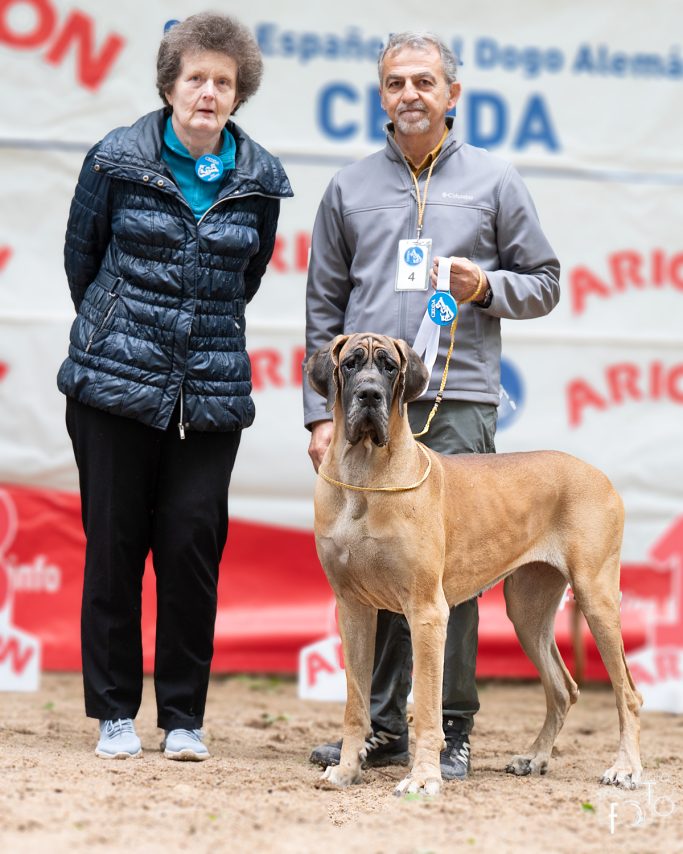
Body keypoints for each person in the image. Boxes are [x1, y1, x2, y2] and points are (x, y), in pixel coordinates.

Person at [304, 31, 559, 780]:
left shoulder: (495, 179)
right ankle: (382, 729)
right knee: (365, 568)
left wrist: (488, 287)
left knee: (454, 574)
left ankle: (448, 728)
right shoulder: (348, 187)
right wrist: (319, 414)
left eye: (423, 81)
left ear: (452, 93)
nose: (408, 94)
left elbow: (544, 281)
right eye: (394, 82)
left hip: (460, 400)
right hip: (363, 406)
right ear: (380, 95)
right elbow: (323, 309)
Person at [58, 13, 292, 761]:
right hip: (112, 383)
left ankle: (184, 719)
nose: (209, 92)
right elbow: (81, 258)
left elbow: (244, 281)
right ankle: (114, 714)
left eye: (224, 82)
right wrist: (121, 337)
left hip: (210, 395)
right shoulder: (115, 160)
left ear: (238, 95)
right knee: (115, 545)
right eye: (196, 77)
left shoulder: (259, 182)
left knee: (192, 545)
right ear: (169, 84)